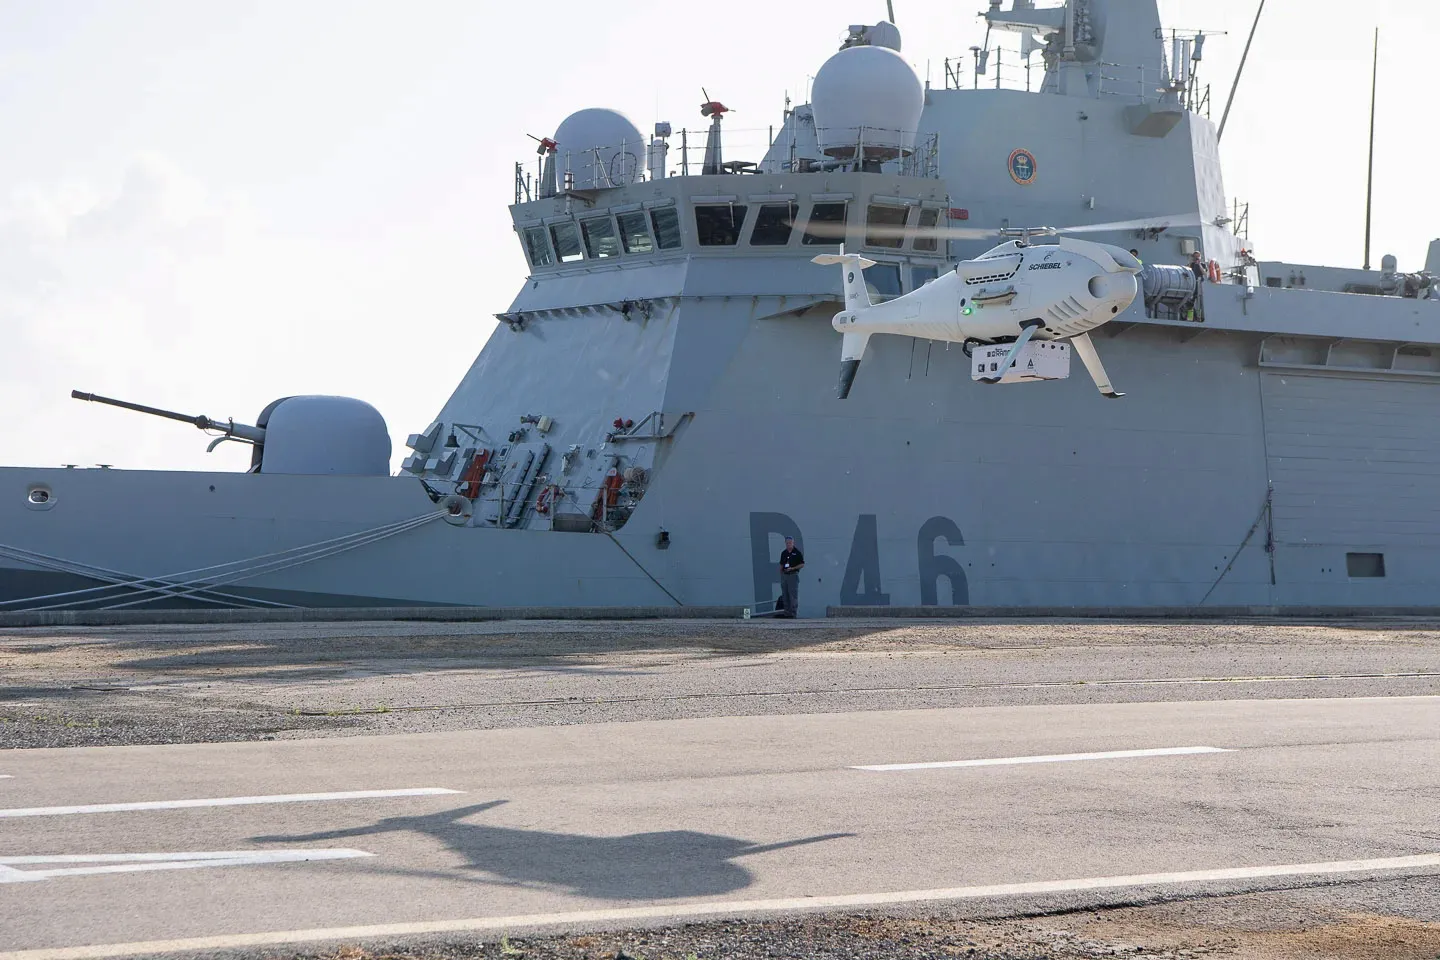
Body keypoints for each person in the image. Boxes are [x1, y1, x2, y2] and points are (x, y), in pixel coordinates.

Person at [778, 535, 804, 618]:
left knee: (793, 595)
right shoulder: (784, 553)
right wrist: (781, 573)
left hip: (793, 575)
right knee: (785, 595)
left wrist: (793, 568)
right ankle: (787, 613)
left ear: (793, 543)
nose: (788, 544)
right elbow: (781, 564)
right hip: (785, 575)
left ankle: (793, 614)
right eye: (787, 543)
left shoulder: (797, 552)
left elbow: (802, 564)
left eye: (790, 543)